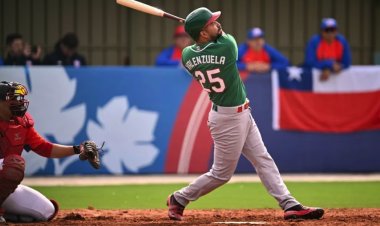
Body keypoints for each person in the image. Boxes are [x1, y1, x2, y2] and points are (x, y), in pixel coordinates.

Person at [166, 7, 324, 221]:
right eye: (211, 23)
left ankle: (289, 205)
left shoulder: (187, 55)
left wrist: (200, 28)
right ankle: (179, 198)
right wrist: (204, 28)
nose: (217, 24)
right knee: (221, 174)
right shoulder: (227, 47)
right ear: (203, 33)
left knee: (263, 159)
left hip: (239, 113)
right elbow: (223, 36)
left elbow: (199, 45)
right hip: (228, 118)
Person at [0, 81, 100, 223]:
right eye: (13, 99)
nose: (18, 102)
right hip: (6, 168)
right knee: (14, 164)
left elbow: (45, 148)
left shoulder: (21, 123)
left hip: (3, 182)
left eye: (19, 98)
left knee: (47, 210)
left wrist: (78, 149)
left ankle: (6, 214)